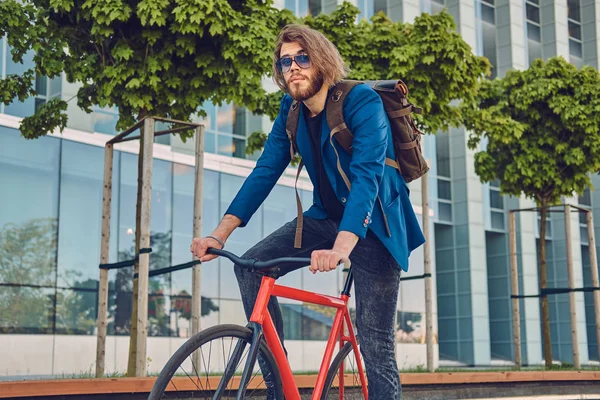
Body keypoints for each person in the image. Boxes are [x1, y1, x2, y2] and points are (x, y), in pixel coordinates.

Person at [190, 23, 425, 399]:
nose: (293, 67)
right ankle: (279, 387)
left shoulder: (362, 102)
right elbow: (265, 171)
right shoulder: (291, 110)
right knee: (250, 265)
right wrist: (219, 234)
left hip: (377, 227)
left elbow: (368, 178)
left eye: (302, 57)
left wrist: (341, 248)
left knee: (376, 344)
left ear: (323, 62)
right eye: (286, 62)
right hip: (324, 218)